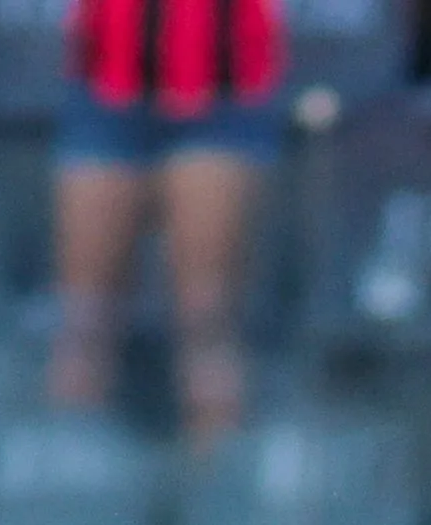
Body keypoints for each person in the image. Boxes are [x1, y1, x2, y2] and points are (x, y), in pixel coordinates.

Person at [54, 0, 281, 440]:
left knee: (207, 321)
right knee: (83, 324)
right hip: (107, 85)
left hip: (221, 90)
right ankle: (71, 493)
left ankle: (213, 491)